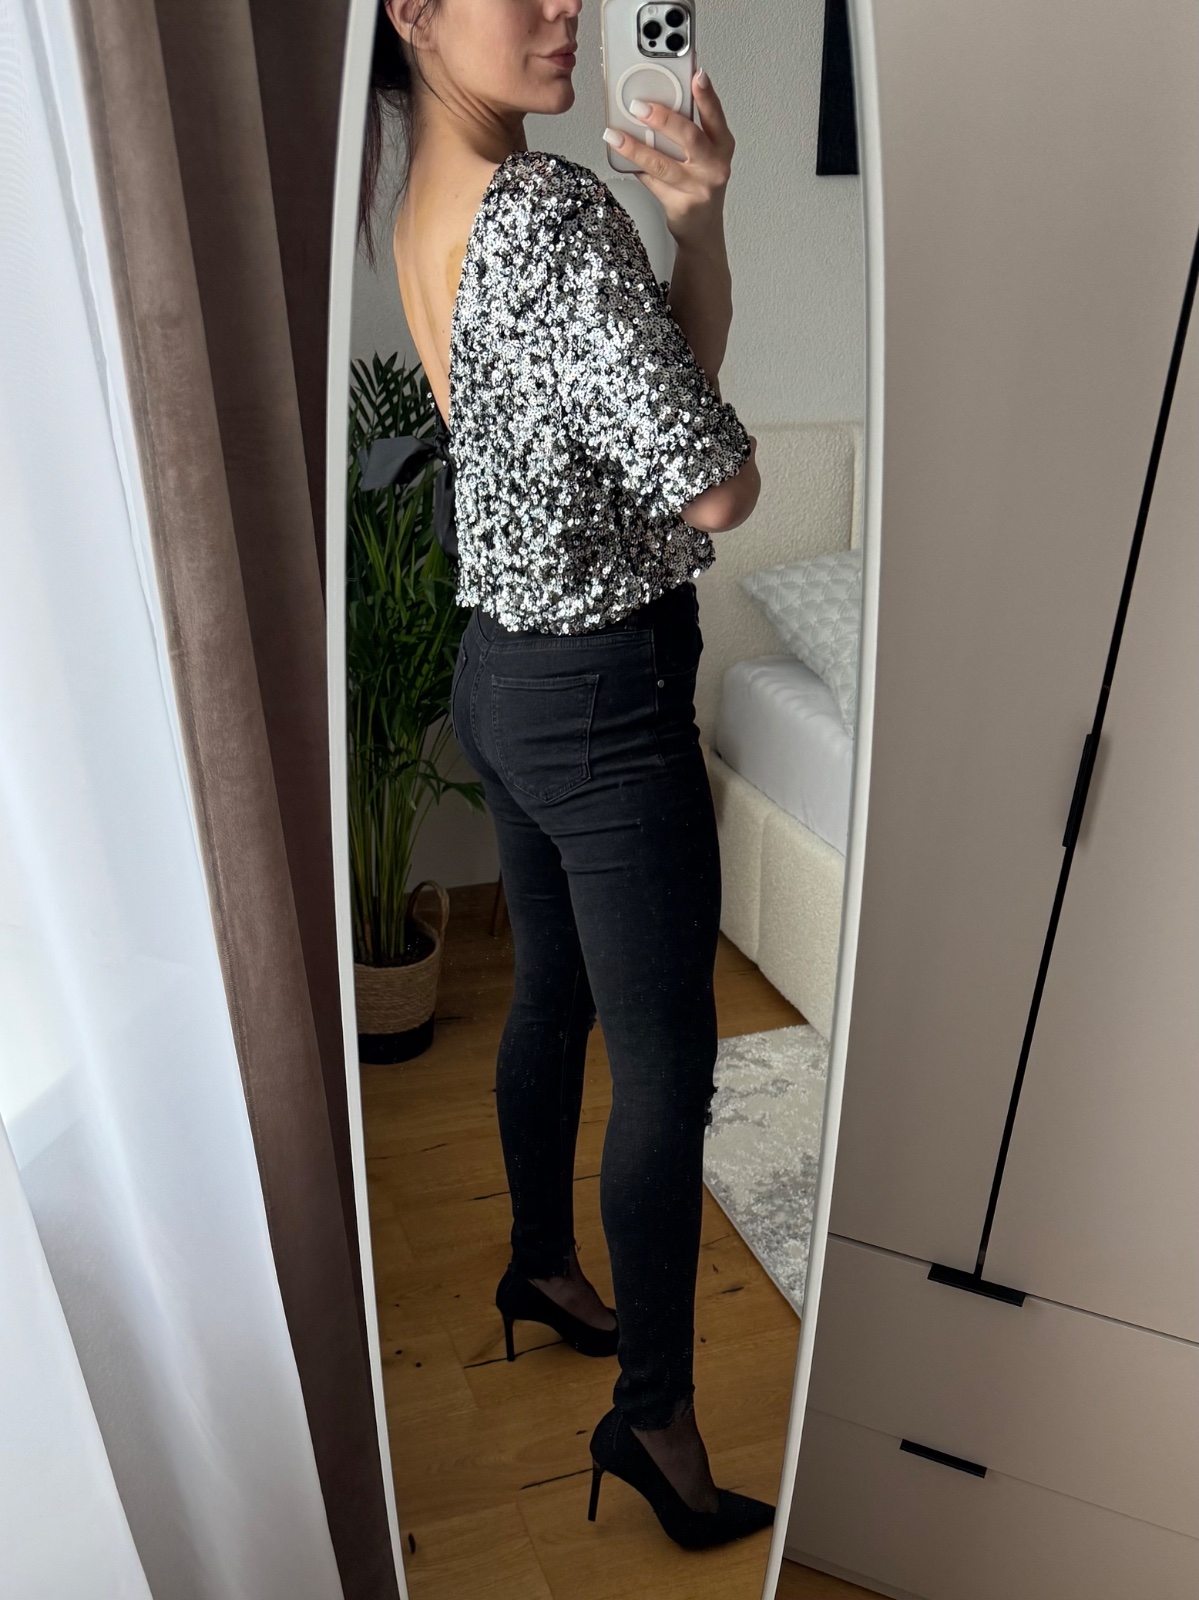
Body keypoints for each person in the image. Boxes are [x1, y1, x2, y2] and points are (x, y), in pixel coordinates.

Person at [360, 0, 771, 1551]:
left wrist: (697, 228)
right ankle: (654, 1420)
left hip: (503, 677)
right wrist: (685, 242)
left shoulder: (424, 195)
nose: (564, 10)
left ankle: (539, 1260)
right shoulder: (543, 208)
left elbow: (649, 410)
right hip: (601, 696)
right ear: (412, 11)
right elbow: (715, 485)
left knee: (552, 1000)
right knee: (667, 1066)